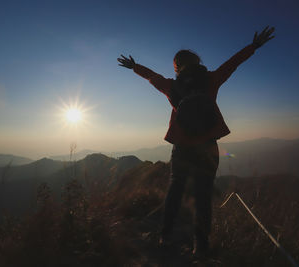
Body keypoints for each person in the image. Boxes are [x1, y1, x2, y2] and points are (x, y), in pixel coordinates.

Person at [117, 26, 275, 258]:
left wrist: (134, 67)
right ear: (197, 61)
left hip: (182, 147)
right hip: (208, 147)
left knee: (175, 190)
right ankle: (200, 246)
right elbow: (232, 63)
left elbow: (153, 77)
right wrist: (253, 46)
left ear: (177, 66)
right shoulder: (211, 79)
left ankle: (165, 236)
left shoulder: (171, 86)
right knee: (203, 196)